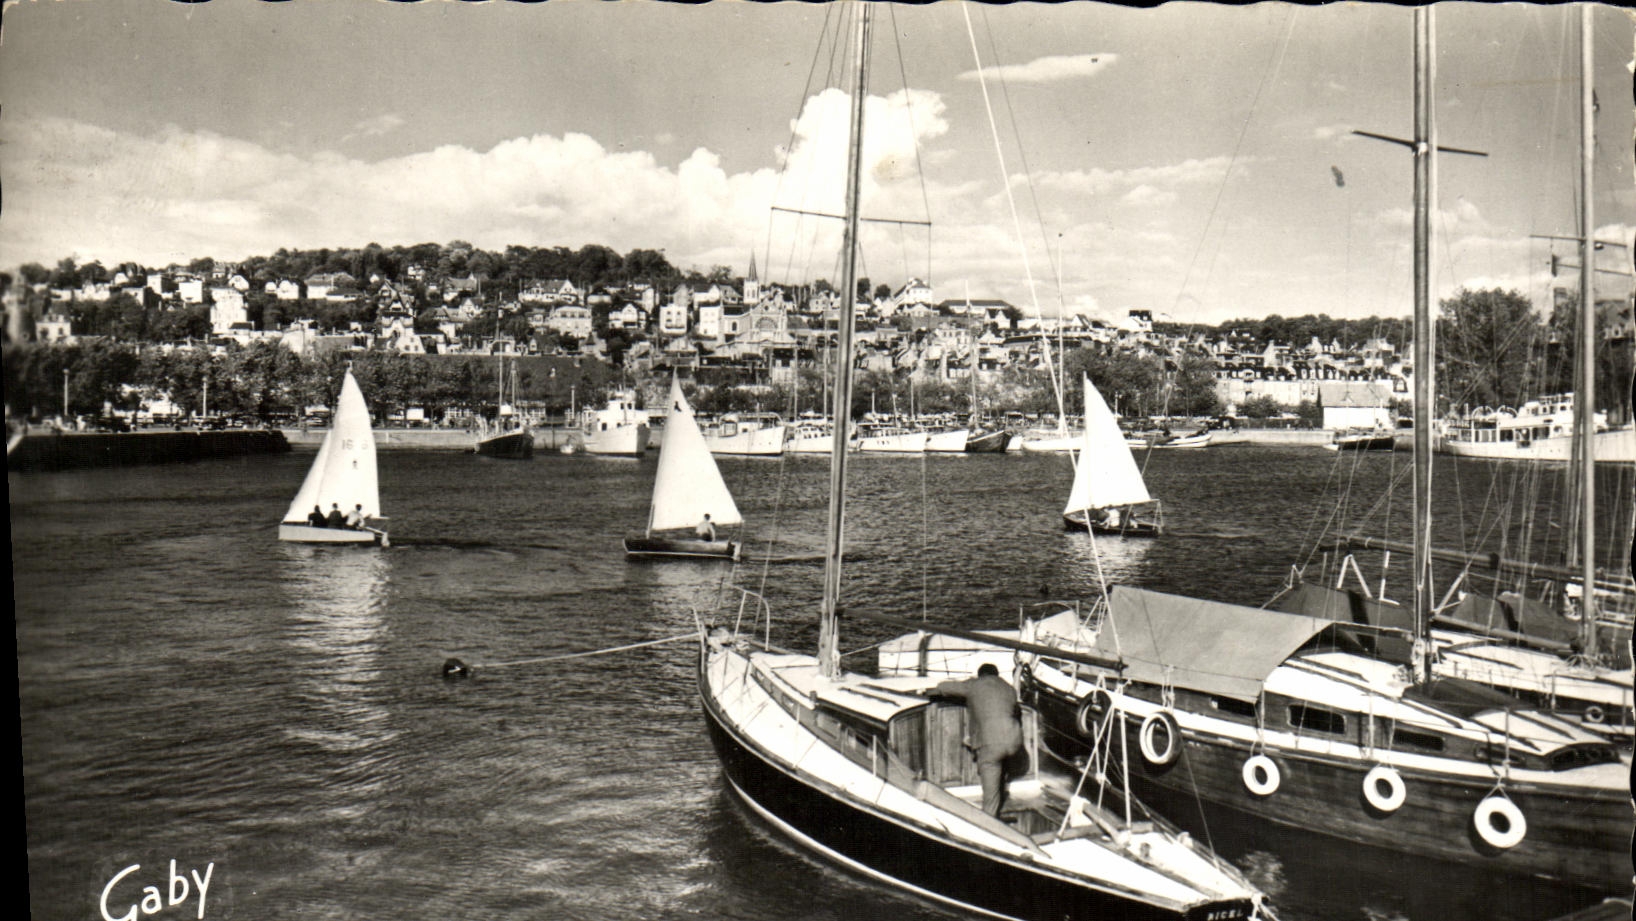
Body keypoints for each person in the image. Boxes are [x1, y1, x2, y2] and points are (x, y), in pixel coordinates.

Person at [934, 663, 1024, 817]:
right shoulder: (1009, 688)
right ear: (996, 675)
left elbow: (943, 686)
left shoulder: (974, 684)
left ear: (981, 675)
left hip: (991, 743)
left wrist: (968, 682)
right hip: (1015, 741)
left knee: (990, 792)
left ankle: (990, 824)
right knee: (997, 756)